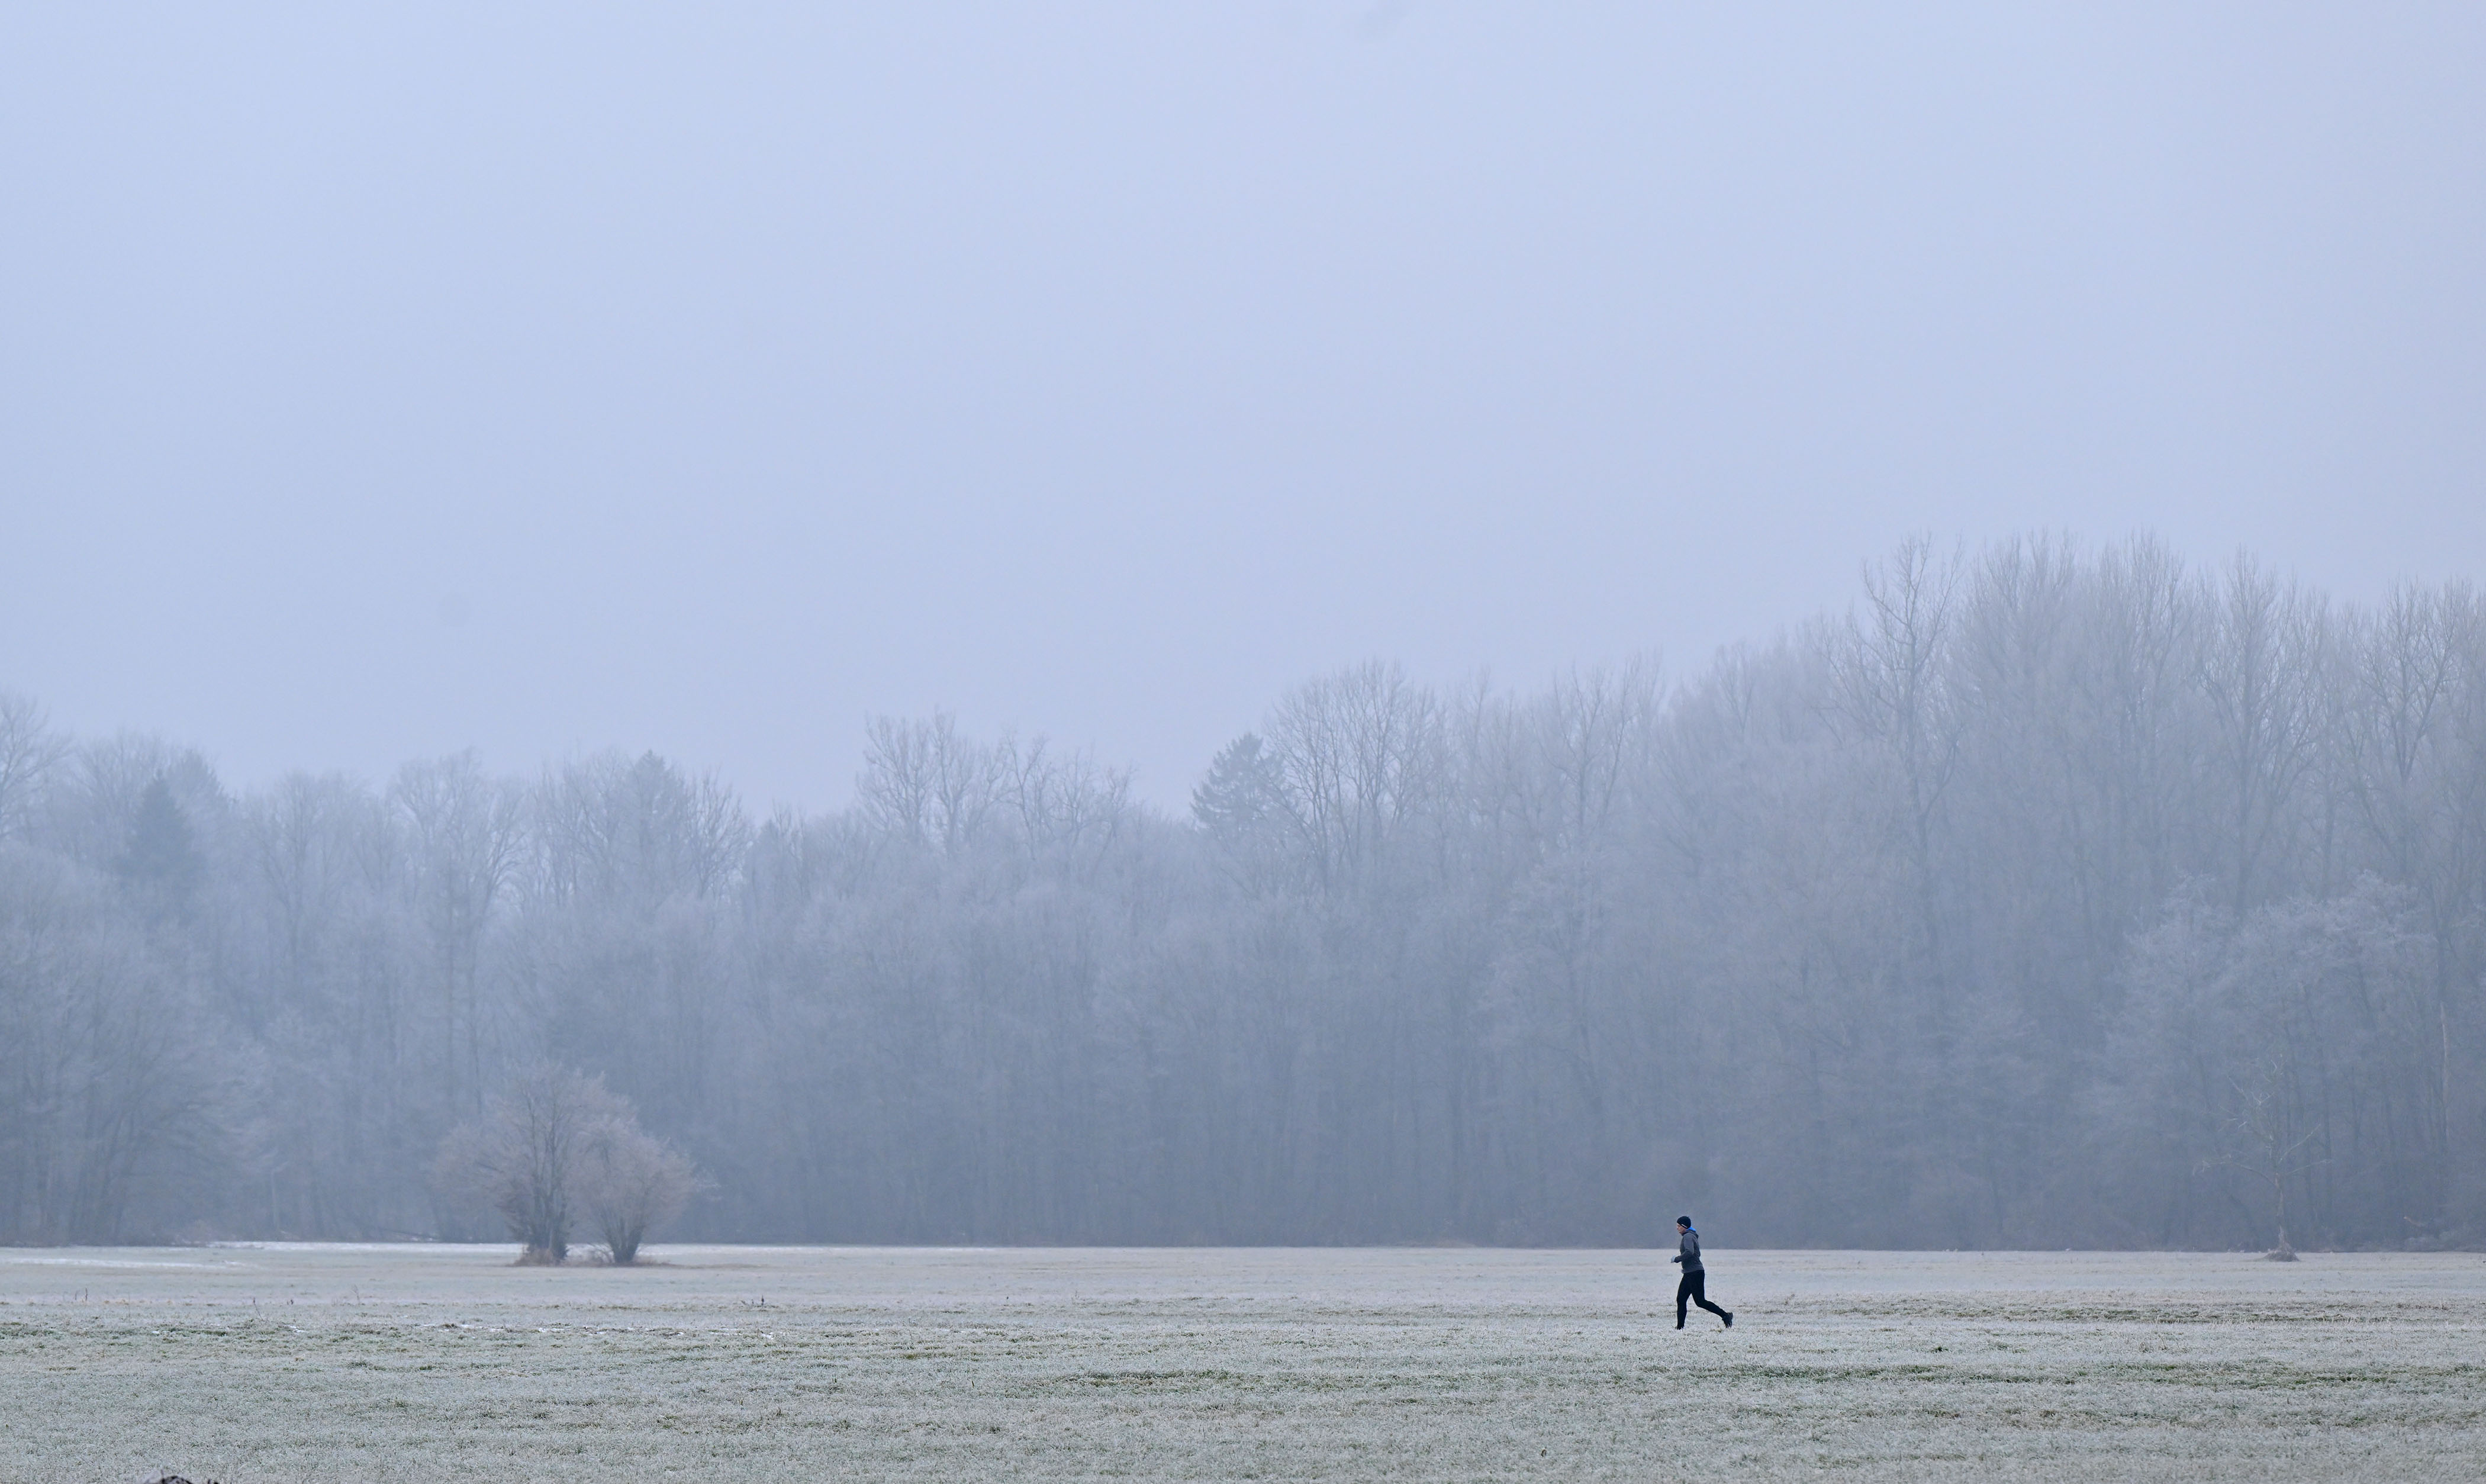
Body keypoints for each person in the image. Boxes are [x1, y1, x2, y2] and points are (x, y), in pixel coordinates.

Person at [1670, 1215, 1733, 1330]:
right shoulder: (1690, 1235)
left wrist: (1677, 1259)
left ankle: (1725, 1315)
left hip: (1694, 1273)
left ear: (1684, 1226)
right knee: (1681, 1299)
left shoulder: (1688, 1237)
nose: (1677, 1228)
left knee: (1700, 1302)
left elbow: (1689, 1252)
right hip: (1689, 1273)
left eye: (1679, 1226)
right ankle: (1680, 1328)